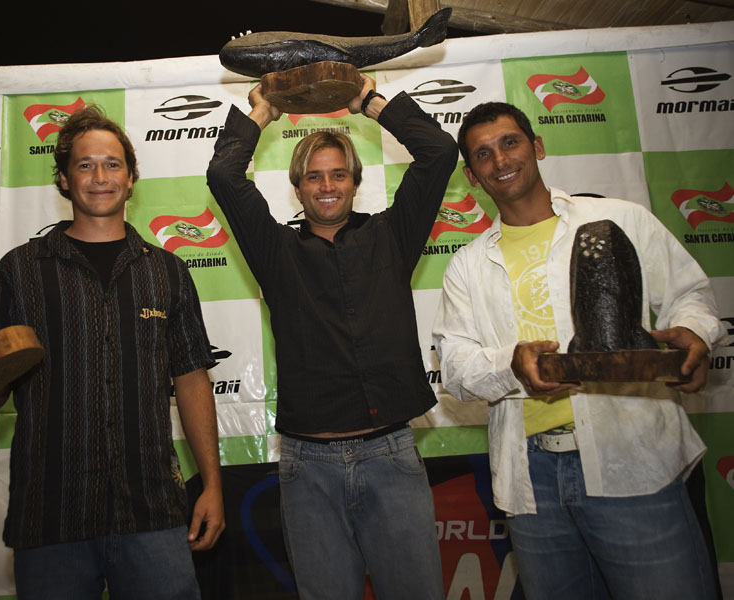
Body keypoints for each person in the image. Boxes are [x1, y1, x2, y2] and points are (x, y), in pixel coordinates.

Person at [0, 105, 224, 599]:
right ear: (63, 178)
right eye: (84, 165)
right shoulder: (19, 272)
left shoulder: (167, 272)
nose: (100, 177)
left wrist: (212, 485)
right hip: (51, 519)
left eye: (112, 164)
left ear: (131, 177)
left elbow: (191, 380)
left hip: (153, 513)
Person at [431, 101, 724, 600]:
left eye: (510, 143)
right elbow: (456, 368)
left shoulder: (619, 218)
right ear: (472, 177)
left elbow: (690, 296)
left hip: (632, 457)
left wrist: (694, 332)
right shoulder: (467, 265)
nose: (500, 160)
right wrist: (512, 365)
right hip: (531, 479)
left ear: (537, 146)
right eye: (483, 154)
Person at [206, 75, 457, 600]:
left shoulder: (393, 236)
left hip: (391, 456)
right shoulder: (276, 251)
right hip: (308, 469)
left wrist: (368, 102)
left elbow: (438, 152)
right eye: (314, 176)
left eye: (338, 174)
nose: (327, 186)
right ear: (297, 188)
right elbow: (224, 175)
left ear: (355, 182)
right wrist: (263, 111)